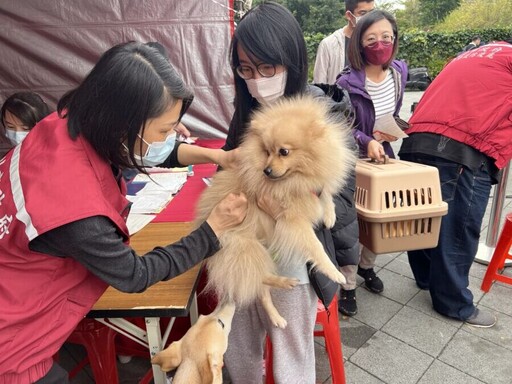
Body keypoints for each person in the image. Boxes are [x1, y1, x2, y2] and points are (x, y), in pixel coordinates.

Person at [0, 41, 249, 384]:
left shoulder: (68, 124)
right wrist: (213, 230)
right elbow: (135, 274)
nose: (170, 137)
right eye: (164, 130)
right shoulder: (75, 207)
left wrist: (217, 157)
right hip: (12, 344)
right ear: (122, 122)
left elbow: (145, 150)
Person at [222, 2, 359, 382]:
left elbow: (344, 206)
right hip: (247, 243)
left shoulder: (321, 115)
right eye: (246, 70)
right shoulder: (247, 110)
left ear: (292, 61)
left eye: (268, 68)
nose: (257, 79)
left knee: (290, 347)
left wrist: (288, 208)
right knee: (237, 339)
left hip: (297, 259)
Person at [398, 38, 512, 328]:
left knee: (422, 215)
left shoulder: (471, 55)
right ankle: (453, 303)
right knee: (458, 228)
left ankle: (425, 278)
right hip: (461, 149)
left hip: (416, 141)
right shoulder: (508, 58)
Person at [336, 10, 408, 305]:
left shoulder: (398, 73)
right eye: (372, 39)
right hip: (353, 159)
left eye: (386, 38)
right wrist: (366, 141)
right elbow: (341, 125)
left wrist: (395, 130)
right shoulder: (346, 82)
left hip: (383, 158)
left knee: (381, 218)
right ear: (359, 43)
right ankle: (347, 283)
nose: (380, 45)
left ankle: (368, 267)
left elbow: (393, 113)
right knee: (351, 223)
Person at [313, 0, 375, 84]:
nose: (368, 18)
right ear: (349, 15)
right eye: (363, 13)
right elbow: (319, 85)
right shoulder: (329, 45)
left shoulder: (376, 43)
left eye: (372, 12)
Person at [0, 91, 51, 157]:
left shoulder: (54, 157)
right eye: (10, 127)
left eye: (25, 128)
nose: (17, 134)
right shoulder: (9, 158)